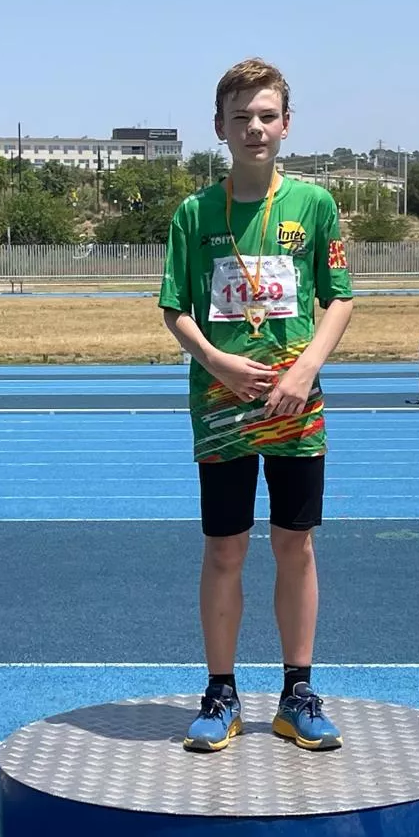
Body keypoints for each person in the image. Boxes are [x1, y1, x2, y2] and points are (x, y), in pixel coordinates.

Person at [159, 57, 355, 753]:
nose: (255, 128)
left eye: (267, 115)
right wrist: (214, 359)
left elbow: (340, 297)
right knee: (225, 549)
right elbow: (174, 309)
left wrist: (304, 369)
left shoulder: (313, 205)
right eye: (241, 117)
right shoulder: (194, 213)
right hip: (221, 406)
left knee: (294, 545)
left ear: (287, 123)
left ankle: (297, 690)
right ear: (219, 127)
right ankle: (220, 691)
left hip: (295, 403)